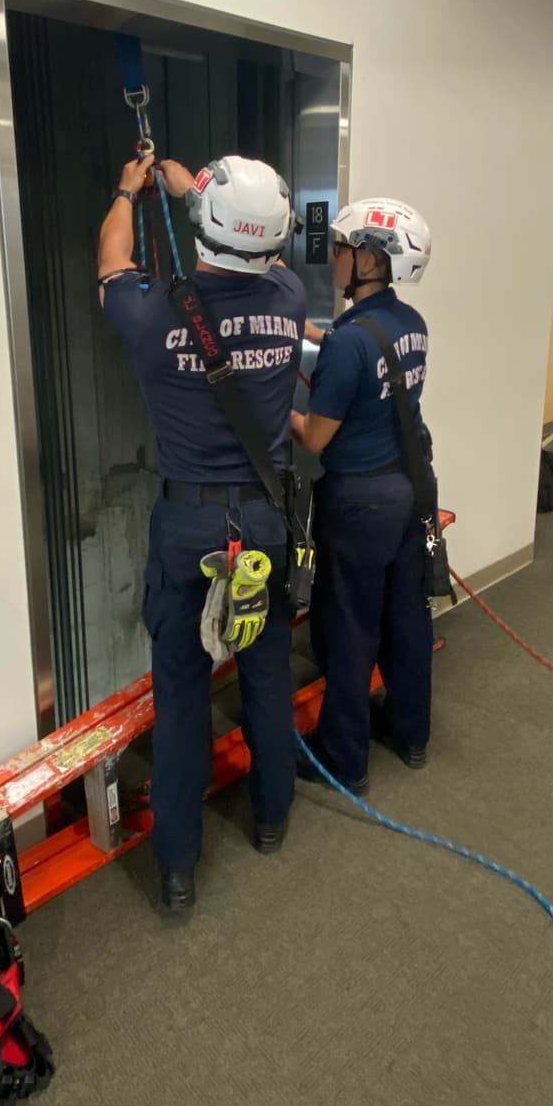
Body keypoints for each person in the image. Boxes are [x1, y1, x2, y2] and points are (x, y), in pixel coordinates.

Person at [99, 151, 306, 915]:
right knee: (266, 673)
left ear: (209, 226)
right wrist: (200, 193)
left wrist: (131, 188)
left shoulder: (153, 311)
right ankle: (272, 817)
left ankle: (178, 869)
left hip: (188, 525)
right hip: (263, 519)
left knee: (183, 695)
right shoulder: (290, 296)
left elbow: (111, 261)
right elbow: (257, 248)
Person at [291, 198, 433, 793]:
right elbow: (364, 351)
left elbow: (315, 438)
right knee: (405, 618)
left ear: (371, 259)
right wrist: (304, 331)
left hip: (358, 505)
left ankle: (343, 758)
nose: (335, 259)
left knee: (349, 630)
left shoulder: (350, 344)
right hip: (408, 493)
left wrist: (266, 403)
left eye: (343, 249)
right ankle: (411, 733)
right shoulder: (411, 324)